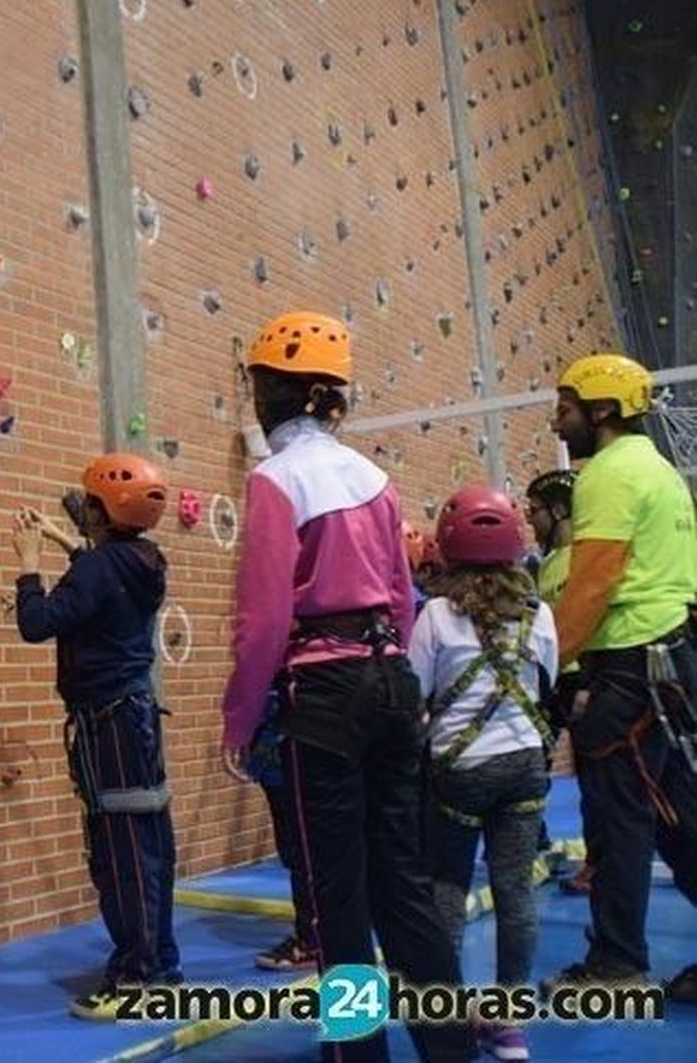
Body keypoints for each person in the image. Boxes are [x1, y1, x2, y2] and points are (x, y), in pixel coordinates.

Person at [218, 311, 473, 1063]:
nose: (256, 400)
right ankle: (450, 1046)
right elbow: (400, 599)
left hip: (324, 695)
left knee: (337, 896)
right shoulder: (376, 480)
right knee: (403, 880)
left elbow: (263, 619)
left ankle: (358, 1055)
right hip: (390, 680)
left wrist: (238, 719)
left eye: (260, 386)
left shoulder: (274, 479)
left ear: (279, 395)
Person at [542, 353, 697, 1003]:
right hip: (671, 659)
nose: (559, 418)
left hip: (629, 666)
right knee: (677, 816)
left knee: (620, 819)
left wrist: (548, 666)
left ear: (602, 411)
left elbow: (594, 581)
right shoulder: (658, 471)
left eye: (568, 406)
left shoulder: (607, 474)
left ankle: (617, 963)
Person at [11, 454, 178, 1020]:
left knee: (122, 846)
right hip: (137, 715)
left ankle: (137, 975)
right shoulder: (147, 559)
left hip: (108, 723)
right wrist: (62, 537)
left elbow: (37, 624)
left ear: (103, 509)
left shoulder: (99, 569)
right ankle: (161, 962)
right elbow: (100, 576)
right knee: (150, 838)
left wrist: (30, 565)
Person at [409, 486, 558, 1063]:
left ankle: (446, 1020)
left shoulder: (436, 617)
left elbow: (417, 694)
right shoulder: (537, 613)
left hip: (460, 771)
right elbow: (546, 684)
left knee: (447, 887)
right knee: (515, 891)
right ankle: (510, 1025)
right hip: (524, 764)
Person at [524, 470, 587, 887]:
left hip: (584, 678)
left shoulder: (585, 557)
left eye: (535, 511)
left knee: (600, 777)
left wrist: (587, 683)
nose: (531, 520)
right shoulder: (546, 565)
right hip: (552, 679)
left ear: (559, 510)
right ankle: (535, 842)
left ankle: (603, 859)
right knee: (534, 762)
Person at [245, 686, 319, 972]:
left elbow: (255, 671)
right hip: (283, 749)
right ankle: (315, 934)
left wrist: (236, 732)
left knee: (302, 849)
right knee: (300, 850)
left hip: (289, 748)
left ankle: (311, 939)